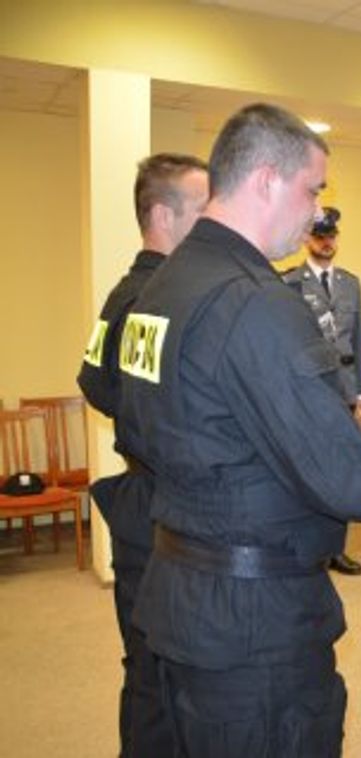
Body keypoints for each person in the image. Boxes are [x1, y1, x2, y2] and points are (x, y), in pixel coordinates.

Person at [115, 103, 361, 757]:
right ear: (267, 180)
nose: (315, 214)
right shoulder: (254, 303)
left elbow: (136, 427)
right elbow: (341, 470)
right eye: (313, 191)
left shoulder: (162, 287)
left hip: (180, 593)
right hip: (253, 621)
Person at [77, 152, 208, 757]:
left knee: (146, 664)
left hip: (142, 497)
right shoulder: (155, 299)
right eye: (203, 209)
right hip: (161, 510)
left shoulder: (124, 292)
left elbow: (94, 382)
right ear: (162, 214)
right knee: (162, 672)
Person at [283, 206, 361, 576]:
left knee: (342, 469)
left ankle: (337, 547)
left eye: (331, 236)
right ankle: (312, 546)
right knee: (309, 469)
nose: (327, 242)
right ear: (306, 239)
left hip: (345, 390)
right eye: (319, 235)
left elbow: (360, 341)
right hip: (309, 391)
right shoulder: (290, 283)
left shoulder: (350, 283)